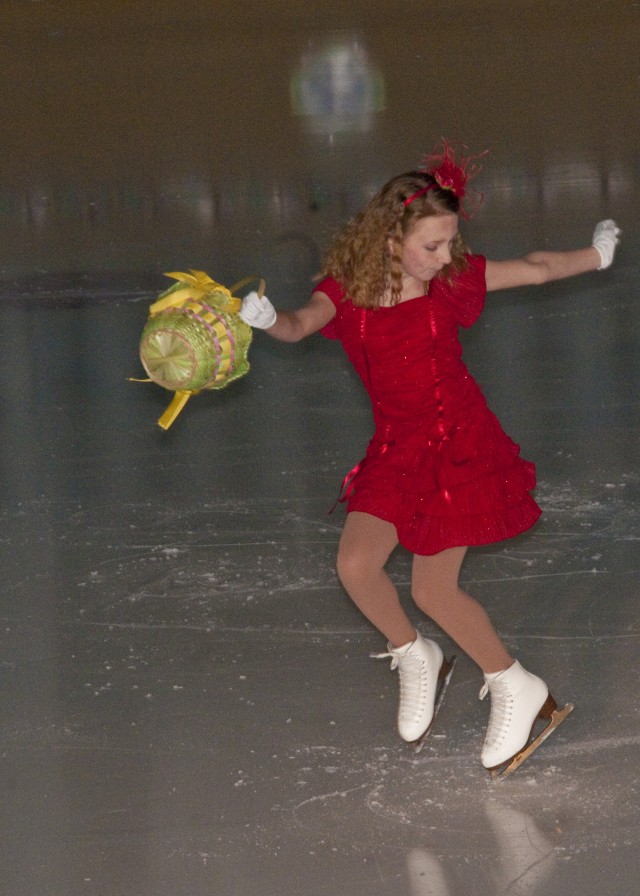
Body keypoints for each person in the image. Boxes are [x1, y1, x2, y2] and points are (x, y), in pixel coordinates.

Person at [238, 143, 621, 777]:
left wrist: (597, 253)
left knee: (432, 587)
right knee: (356, 564)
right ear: (391, 239)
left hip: (459, 446)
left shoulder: (452, 283)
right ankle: (418, 655)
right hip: (397, 447)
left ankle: (516, 685)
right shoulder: (349, 294)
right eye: (433, 246)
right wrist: (265, 317)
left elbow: (536, 267)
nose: (447, 258)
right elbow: (301, 324)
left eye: (450, 244)